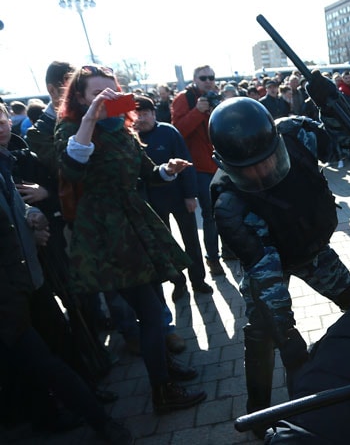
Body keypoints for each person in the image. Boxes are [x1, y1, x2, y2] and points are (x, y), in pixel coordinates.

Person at [207, 97, 350, 435]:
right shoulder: (229, 203)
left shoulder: (297, 134)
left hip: (310, 248)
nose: (261, 173)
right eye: (248, 169)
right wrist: (289, 338)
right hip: (269, 260)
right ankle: (259, 411)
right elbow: (266, 277)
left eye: (266, 161)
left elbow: (344, 143)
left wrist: (332, 106)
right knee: (262, 332)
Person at [54, 64, 206, 415]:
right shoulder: (73, 129)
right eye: (97, 94)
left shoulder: (121, 128)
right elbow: (72, 169)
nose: (107, 99)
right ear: (79, 97)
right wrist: (90, 118)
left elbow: (145, 171)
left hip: (135, 223)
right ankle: (162, 391)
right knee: (152, 316)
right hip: (107, 235)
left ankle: (164, 367)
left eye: (113, 91)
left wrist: (167, 170)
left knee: (154, 301)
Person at [0, 103, 133, 443]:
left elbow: (13, 206)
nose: (2, 123)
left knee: (52, 352)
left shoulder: (6, 162)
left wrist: (31, 215)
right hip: (11, 291)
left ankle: (73, 416)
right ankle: (91, 420)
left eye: (2, 115)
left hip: (29, 281)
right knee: (42, 361)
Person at [133, 94, 213, 300]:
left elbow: (186, 165)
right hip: (153, 203)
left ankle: (198, 280)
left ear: (153, 113)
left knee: (191, 242)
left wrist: (190, 195)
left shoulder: (168, 132)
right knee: (165, 245)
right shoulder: (131, 138)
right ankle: (178, 282)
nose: (141, 119)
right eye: (137, 114)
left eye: (145, 114)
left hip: (179, 197)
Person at [171, 65, 225, 277]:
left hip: (220, 164)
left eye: (211, 77)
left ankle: (230, 250)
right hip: (200, 169)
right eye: (203, 78)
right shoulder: (184, 99)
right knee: (210, 216)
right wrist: (197, 111)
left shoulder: (215, 97)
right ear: (195, 79)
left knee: (228, 210)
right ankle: (213, 258)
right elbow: (178, 132)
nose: (208, 81)